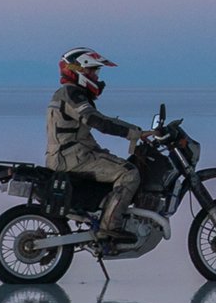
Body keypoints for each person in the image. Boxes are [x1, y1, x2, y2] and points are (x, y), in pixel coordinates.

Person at [47, 47, 144, 245]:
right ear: (78, 70)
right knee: (129, 173)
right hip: (73, 157)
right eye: (92, 71)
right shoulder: (71, 93)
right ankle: (110, 228)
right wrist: (134, 132)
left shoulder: (68, 93)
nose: (95, 76)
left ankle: (104, 215)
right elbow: (97, 121)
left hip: (68, 154)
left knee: (116, 165)